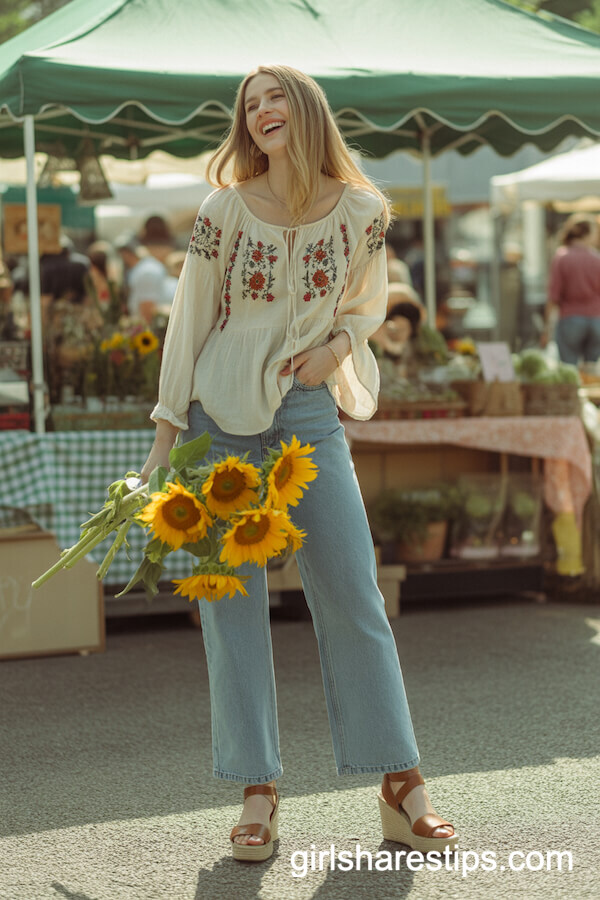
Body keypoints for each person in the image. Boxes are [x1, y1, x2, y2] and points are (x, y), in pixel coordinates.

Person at [140, 64, 457, 863]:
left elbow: (367, 301)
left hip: (310, 419)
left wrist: (339, 348)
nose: (262, 111)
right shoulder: (223, 210)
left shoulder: (362, 211)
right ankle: (258, 789)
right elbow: (187, 325)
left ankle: (400, 780)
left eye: (275, 97)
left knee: (354, 590)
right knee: (231, 605)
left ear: (306, 109)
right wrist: (164, 442)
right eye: (251, 104)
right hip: (219, 422)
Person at [545, 214, 600, 364]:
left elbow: (553, 295)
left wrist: (546, 328)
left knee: (569, 368)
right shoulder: (597, 258)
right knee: (591, 369)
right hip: (596, 320)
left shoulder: (562, 256)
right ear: (587, 233)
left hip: (570, 319)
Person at [116, 237, 167, 324]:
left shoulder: (145, 272)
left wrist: (144, 330)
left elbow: (148, 307)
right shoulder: (142, 268)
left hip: (148, 326)